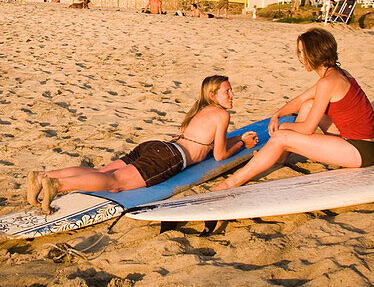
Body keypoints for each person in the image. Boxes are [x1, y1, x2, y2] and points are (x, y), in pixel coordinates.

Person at [27, 75, 259, 213]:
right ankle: (57, 185)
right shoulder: (221, 115)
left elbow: (206, 143)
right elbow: (219, 154)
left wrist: (238, 137)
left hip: (156, 146)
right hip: (169, 158)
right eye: (227, 92)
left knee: (102, 171)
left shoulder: (199, 111)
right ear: (212, 95)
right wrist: (241, 145)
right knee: (114, 182)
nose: (232, 96)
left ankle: (42, 177)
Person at [211, 27, 374, 191]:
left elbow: (307, 128)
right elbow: (302, 99)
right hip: (368, 145)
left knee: (281, 137)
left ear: (314, 53)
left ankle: (230, 183)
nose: (299, 57)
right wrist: (277, 114)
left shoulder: (327, 82)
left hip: (360, 151)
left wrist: (283, 127)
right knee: (307, 106)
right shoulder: (337, 73)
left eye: (302, 52)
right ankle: (281, 157)